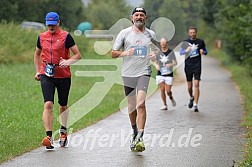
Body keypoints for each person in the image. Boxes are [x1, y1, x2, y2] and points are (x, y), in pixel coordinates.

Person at [34, 12, 81, 149]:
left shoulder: (66, 37)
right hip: (46, 74)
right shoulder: (41, 37)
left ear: (58, 23)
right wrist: (38, 71)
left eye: (53, 24)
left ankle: (63, 131)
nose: (51, 26)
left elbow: (78, 55)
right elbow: (37, 54)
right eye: (48, 24)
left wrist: (68, 61)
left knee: (62, 105)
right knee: (48, 104)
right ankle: (48, 136)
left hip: (63, 76)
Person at [111, 7, 156, 152]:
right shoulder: (124, 33)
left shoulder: (151, 34)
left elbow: (155, 49)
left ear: (146, 18)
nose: (139, 17)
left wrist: (155, 55)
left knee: (141, 104)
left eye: (141, 15)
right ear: (132, 18)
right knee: (131, 106)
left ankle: (140, 137)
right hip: (128, 73)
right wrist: (126, 52)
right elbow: (113, 53)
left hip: (144, 72)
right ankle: (134, 131)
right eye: (136, 15)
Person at [180, 26, 207, 112]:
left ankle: (195, 104)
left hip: (197, 66)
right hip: (188, 66)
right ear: (188, 33)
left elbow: (206, 51)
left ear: (196, 33)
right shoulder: (185, 42)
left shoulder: (200, 42)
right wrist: (186, 50)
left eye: (194, 32)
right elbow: (181, 52)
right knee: (189, 86)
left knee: (196, 85)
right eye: (191, 33)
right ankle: (191, 97)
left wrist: (203, 52)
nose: (192, 34)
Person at [155, 38, 177, 111]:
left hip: (168, 74)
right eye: (162, 43)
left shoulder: (171, 52)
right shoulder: (158, 53)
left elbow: (175, 62)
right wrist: (157, 66)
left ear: (167, 43)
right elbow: (156, 62)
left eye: (164, 43)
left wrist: (170, 64)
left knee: (168, 91)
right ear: (160, 44)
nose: (163, 44)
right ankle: (164, 104)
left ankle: (171, 98)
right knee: (162, 89)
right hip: (160, 74)